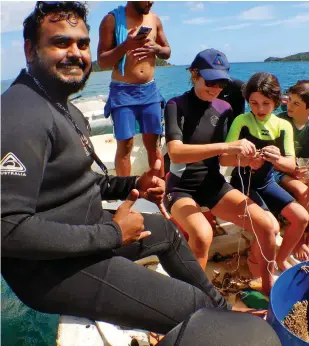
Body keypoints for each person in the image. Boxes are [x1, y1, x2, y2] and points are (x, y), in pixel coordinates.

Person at [1, 2, 267, 340]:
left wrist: (130, 184)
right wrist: (112, 235)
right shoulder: (19, 115)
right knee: (192, 306)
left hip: (86, 232)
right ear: (29, 49)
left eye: (82, 44)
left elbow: (73, 183)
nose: (76, 52)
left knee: (162, 230)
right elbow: (6, 229)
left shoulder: (59, 105)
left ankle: (222, 311)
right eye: (60, 43)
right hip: (54, 268)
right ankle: (212, 321)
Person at [164, 48, 277, 295]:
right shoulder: (175, 105)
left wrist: (247, 161)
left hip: (213, 186)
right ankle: (189, 301)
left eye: (221, 82)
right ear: (194, 74)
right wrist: (228, 146)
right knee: (203, 236)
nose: (215, 87)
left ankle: (270, 294)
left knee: (267, 226)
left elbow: (224, 158)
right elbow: (176, 152)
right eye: (210, 80)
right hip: (181, 188)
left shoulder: (224, 108)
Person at [220, 72, 309, 274]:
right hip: (243, 183)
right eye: (254, 103)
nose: (259, 109)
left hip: (267, 183)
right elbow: (224, 159)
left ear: (277, 102)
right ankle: (254, 263)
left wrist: (276, 159)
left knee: (301, 217)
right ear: (247, 102)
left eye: (266, 103)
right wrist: (246, 160)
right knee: (272, 226)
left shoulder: (283, 126)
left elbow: (290, 164)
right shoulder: (241, 121)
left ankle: (281, 258)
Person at [97, 1, 171, 178]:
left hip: (150, 91)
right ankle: (125, 193)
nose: (151, 2)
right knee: (126, 145)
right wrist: (125, 46)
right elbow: (102, 61)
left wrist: (157, 48)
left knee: (154, 143)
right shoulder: (111, 20)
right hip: (122, 92)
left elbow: (167, 51)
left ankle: (158, 189)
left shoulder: (154, 19)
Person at [273, 80, 309, 261]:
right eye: (289, 100)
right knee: (303, 190)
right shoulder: (280, 122)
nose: (289, 105)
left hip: (304, 169)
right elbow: (272, 158)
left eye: (296, 103)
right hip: (280, 171)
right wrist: (292, 171)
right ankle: (298, 239)